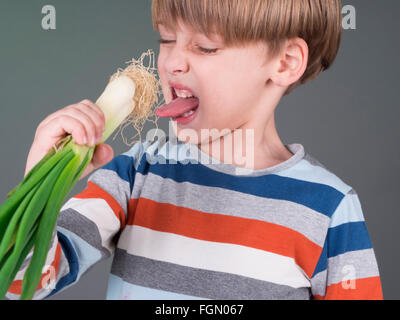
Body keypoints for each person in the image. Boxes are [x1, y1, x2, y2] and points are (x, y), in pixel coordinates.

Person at [6, 0, 383, 300]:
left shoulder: (329, 208)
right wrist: (37, 180)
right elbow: (21, 282)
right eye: (167, 39)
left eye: (205, 46)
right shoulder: (137, 174)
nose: (173, 62)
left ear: (284, 63)